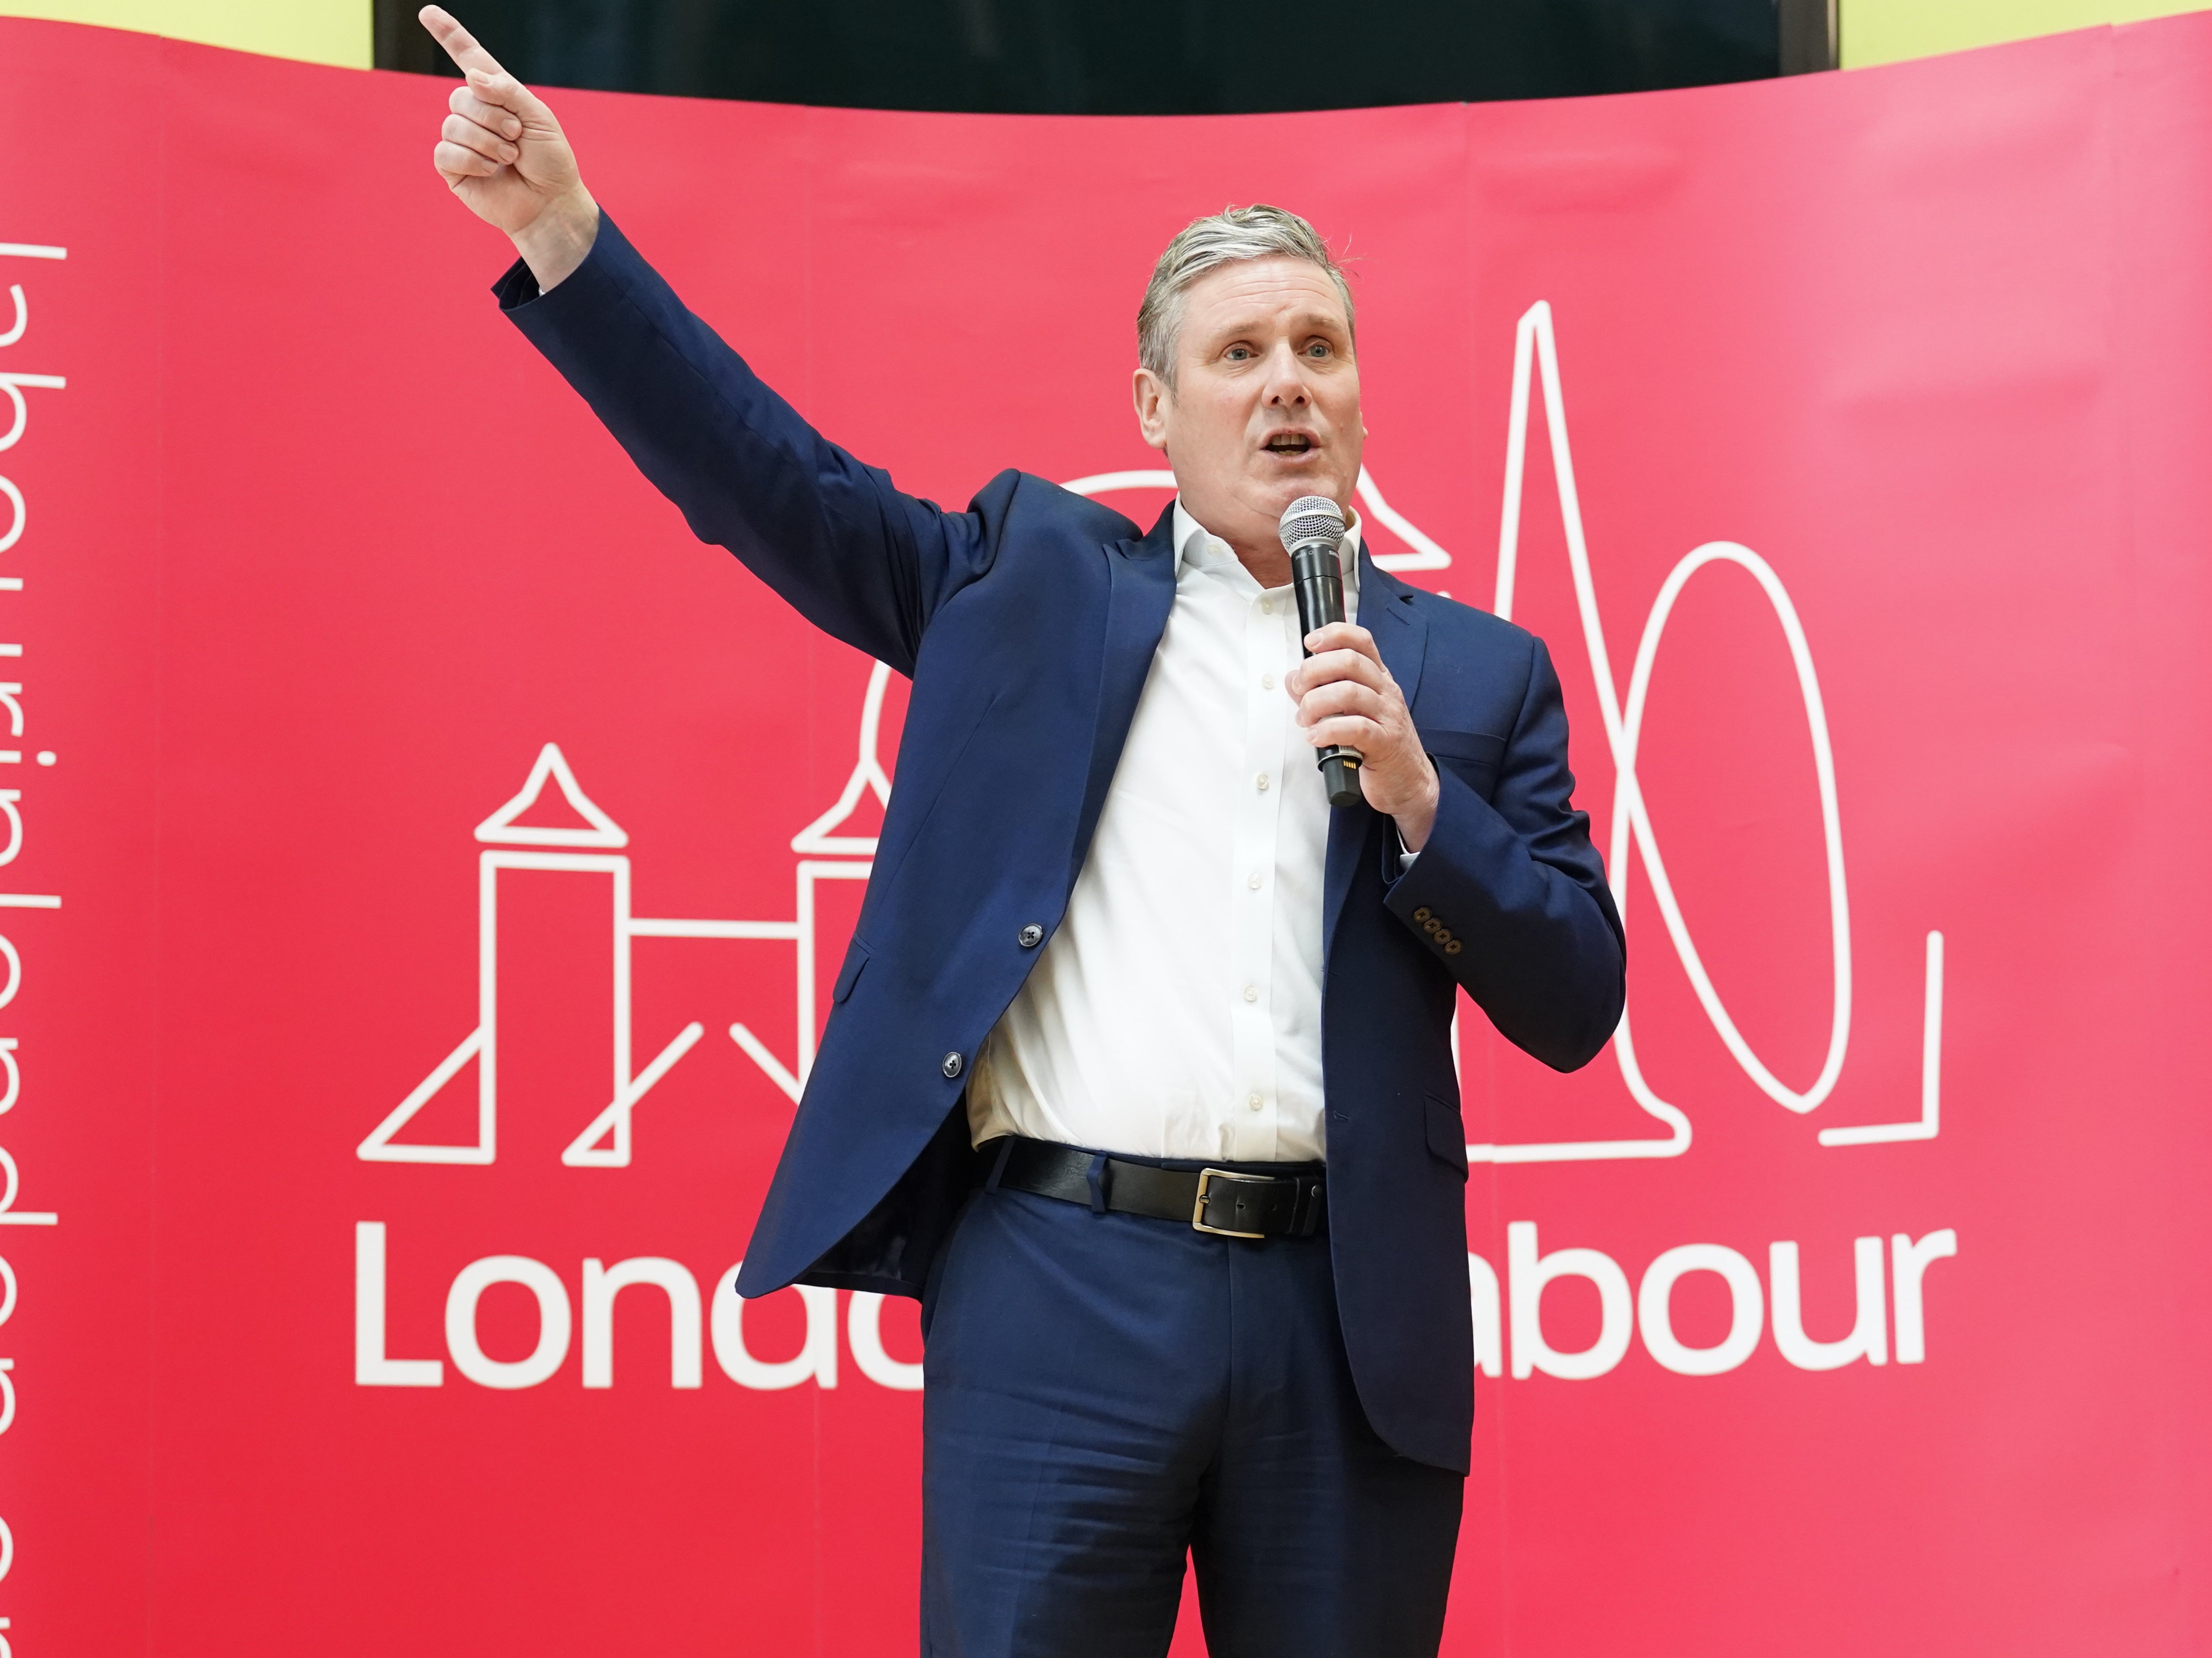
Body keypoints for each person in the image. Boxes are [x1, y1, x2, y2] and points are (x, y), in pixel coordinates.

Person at [418, 9, 1624, 1653]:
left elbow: (1580, 997)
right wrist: (565, 232)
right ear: (1154, 406)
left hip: (1349, 1318)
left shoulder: (1474, 677)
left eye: (1322, 349)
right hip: (1062, 1287)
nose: (1290, 386)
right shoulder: (1027, 581)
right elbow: (771, 484)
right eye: (1242, 353)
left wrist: (1424, 805)